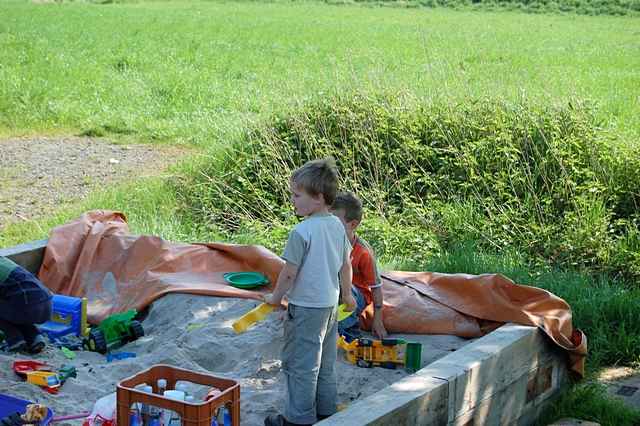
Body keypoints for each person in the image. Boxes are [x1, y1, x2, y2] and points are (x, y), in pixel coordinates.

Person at [263, 158, 356, 426]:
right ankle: (326, 411)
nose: (292, 200)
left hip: (305, 309)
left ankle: (298, 419)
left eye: (296, 194)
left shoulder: (301, 231)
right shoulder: (337, 226)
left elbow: (289, 273)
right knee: (325, 363)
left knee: (300, 365)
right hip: (329, 307)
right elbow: (345, 265)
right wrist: (347, 295)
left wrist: (275, 298)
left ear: (317, 198)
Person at [331, 192, 388, 340]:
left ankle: (348, 332)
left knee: (344, 288)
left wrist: (378, 319)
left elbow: (376, 287)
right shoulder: (328, 243)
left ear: (353, 224)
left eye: (335, 222)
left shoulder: (363, 252)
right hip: (334, 291)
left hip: (356, 296)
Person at [0, 256, 52, 353]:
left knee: (14, 308)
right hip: (47, 304)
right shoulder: (3, 261)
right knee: (13, 305)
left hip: (28, 307)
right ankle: (35, 338)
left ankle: (15, 340)